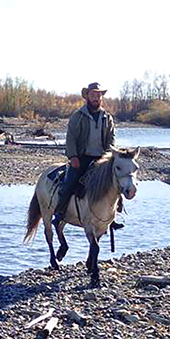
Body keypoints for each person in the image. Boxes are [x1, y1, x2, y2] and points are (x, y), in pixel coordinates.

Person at [52, 82, 122, 229]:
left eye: (98, 95)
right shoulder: (78, 116)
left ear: (101, 97)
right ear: (87, 97)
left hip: (101, 159)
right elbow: (71, 138)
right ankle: (59, 213)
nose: (96, 97)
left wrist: (110, 155)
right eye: (93, 95)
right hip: (82, 157)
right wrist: (73, 156)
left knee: (117, 182)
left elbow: (111, 138)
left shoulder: (107, 118)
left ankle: (112, 217)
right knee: (69, 182)